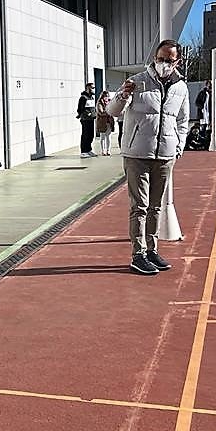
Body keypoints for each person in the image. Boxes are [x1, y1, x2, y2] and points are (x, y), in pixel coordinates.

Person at [106, 40, 189, 276]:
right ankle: (138, 254)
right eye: (161, 59)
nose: (164, 64)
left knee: (155, 206)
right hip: (137, 154)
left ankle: (152, 249)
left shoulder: (181, 87)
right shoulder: (137, 81)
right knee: (139, 206)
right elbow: (113, 111)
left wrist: (178, 147)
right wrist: (122, 95)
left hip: (165, 155)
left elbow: (182, 121)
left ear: (177, 62)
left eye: (169, 60)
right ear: (155, 57)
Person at [76, 82, 97, 158]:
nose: (94, 89)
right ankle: (83, 151)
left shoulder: (91, 97)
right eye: (92, 88)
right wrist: (88, 114)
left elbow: (91, 108)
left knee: (91, 135)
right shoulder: (83, 97)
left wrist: (94, 114)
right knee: (85, 135)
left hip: (91, 119)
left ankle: (89, 150)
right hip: (85, 119)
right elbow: (81, 109)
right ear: (88, 88)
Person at [95, 90, 115, 156]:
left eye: (107, 96)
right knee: (102, 137)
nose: (107, 97)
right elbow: (101, 112)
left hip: (109, 122)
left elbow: (113, 110)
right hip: (102, 122)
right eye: (105, 96)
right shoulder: (99, 103)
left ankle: (108, 150)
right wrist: (109, 112)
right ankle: (103, 151)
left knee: (108, 137)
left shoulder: (110, 102)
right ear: (102, 96)